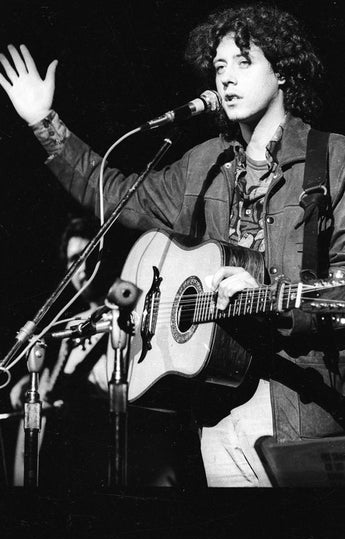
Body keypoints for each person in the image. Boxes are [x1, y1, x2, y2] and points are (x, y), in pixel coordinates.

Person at [1, 2, 345, 487]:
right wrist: (44, 122)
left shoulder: (331, 158)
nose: (226, 78)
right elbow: (116, 196)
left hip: (304, 404)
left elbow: (341, 288)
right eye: (220, 66)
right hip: (219, 406)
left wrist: (266, 293)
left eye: (244, 63)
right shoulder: (203, 164)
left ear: (283, 71)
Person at [10, 217, 204, 489]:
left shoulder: (134, 306)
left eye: (89, 256)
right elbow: (54, 384)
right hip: (75, 460)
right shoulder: (69, 323)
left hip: (130, 454)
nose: (82, 268)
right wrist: (28, 385)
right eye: (73, 261)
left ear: (105, 257)